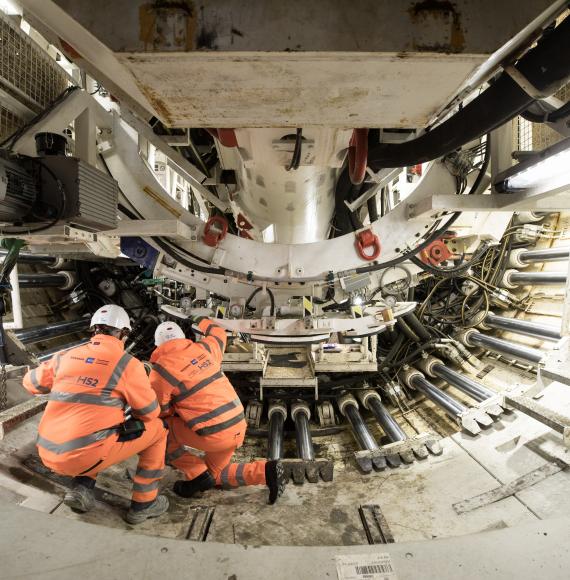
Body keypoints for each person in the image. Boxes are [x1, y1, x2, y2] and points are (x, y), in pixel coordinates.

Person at [22, 305, 169, 524]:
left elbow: (30, 384)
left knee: (94, 425)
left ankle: (82, 488)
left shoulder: (67, 355)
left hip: (46, 450)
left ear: (94, 330)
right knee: (158, 429)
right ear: (124, 333)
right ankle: (144, 504)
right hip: (83, 456)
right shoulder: (128, 365)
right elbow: (149, 413)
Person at [150, 318, 286, 503]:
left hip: (214, 434)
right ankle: (265, 471)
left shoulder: (161, 370)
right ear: (183, 338)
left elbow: (159, 411)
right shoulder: (205, 349)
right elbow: (219, 333)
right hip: (237, 426)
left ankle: (195, 473)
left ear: (158, 345)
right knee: (214, 475)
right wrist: (200, 319)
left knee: (158, 431)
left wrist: (178, 408)